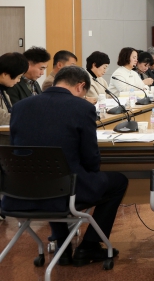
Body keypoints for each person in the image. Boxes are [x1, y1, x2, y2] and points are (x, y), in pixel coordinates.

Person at [1, 66, 128, 266]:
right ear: (80, 86)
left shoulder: (20, 107)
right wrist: (91, 173)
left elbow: (18, 150)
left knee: (50, 173)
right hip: (66, 190)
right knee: (118, 181)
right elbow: (91, 157)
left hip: (21, 191)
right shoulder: (82, 108)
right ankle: (90, 246)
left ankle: (63, 245)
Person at [0, 53, 28, 125]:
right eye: (18, 77)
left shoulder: (3, 90)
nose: (19, 80)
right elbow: (2, 118)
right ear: (5, 74)